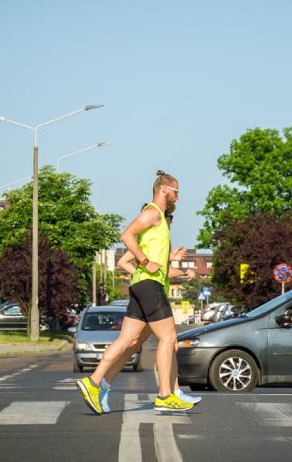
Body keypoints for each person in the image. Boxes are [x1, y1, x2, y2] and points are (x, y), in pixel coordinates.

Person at [77, 171, 194, 413]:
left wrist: (173, 264)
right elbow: (126, 236)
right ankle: (165, 395)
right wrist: (142, 261)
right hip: (148, 284)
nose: (177, 197)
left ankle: (94, 381)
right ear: (164, 189)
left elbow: (161, 267)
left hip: (144, 283)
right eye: (176, 191)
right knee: (169, 339)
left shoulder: (159, 219)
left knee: (128, 340)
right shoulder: (152, 212)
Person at [95, 212, 201, 412]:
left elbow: (156, 267)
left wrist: (170, 258)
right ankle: (171, 393)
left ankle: (102, 386)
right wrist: (184, 272)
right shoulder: (146, 237)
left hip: (149, 291)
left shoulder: (157, 243)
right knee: (167, 342)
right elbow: (125, 262)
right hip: (149, 292)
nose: (168, 225)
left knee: (131, 346)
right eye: (167, 220)